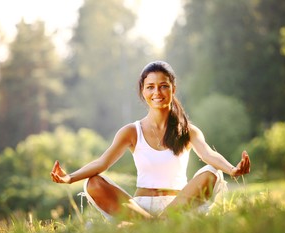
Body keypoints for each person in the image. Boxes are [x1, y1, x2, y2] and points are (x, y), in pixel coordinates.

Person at [51, 61, 250, 220]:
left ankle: (160, 223)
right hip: (140, 209)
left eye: (163, 86)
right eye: (151, 87)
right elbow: (101, 163)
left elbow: (208, 154)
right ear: (143, 91)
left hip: (178, 207)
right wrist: (69, 178)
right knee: (93, 182)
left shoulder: (187, 131)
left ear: (173, 89)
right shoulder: (131, 131)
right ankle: (152, 224)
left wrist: (232, 169)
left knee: (211, 173)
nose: (157, 93)